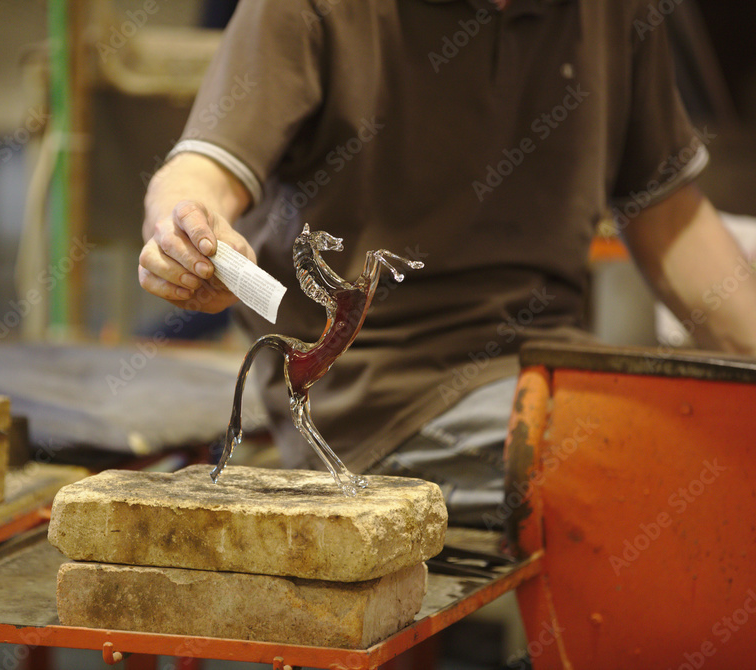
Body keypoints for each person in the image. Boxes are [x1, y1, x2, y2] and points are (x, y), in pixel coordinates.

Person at [138, 0, 756, 526]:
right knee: (665, 476)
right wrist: (184, 232)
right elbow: (200, 175)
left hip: (553, 371)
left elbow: (670, 218)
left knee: (718, 445)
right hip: (379, 400)